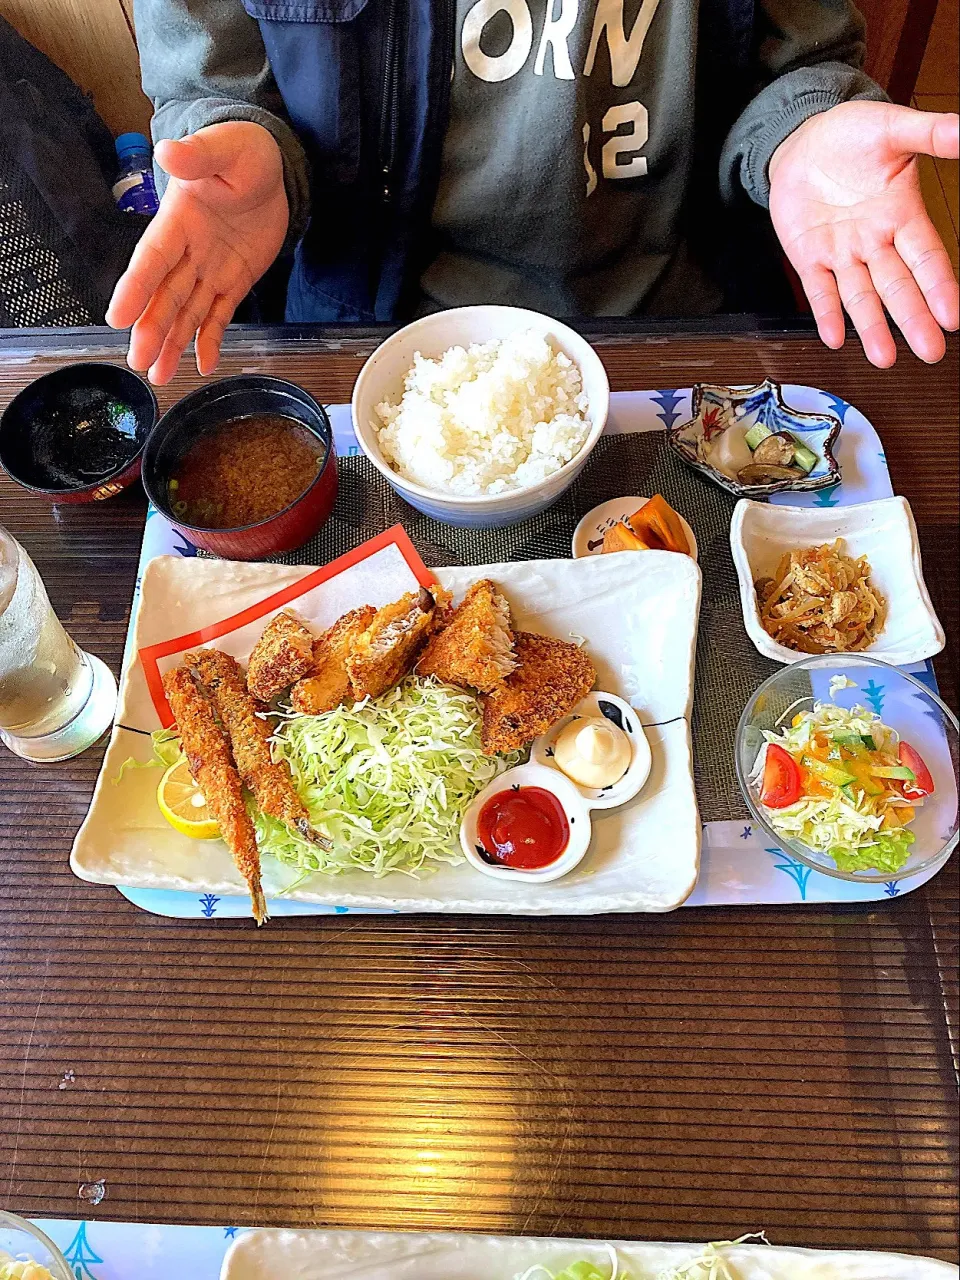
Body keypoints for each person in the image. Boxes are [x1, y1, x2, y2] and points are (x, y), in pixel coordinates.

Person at [108, 0, 960, 384]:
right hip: (375, 345)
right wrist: (244, 145)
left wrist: (806, 128)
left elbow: (801, 61)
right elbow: (210, 91)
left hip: (680, 328)